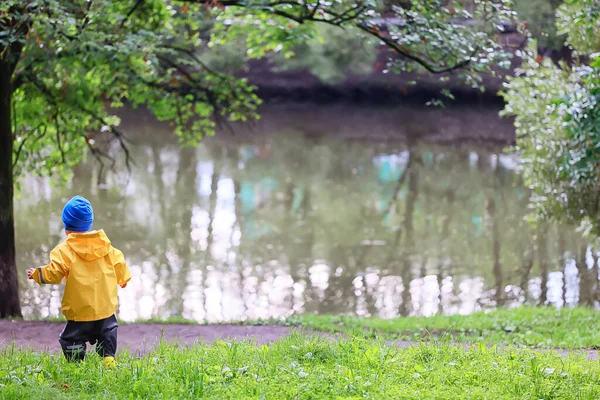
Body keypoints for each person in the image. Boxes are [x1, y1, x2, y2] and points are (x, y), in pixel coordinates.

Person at [27, 195, 131, 368]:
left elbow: (54, 272)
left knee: (71, 339)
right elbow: (119, 262)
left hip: (80, 310)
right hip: (105, 309)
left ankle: (76, 367)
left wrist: (38, 274)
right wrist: (123, 278)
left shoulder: (64, 250)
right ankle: (109, 360)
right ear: (89, 223)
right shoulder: (106, 247)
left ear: (66, 227)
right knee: (108, 334)